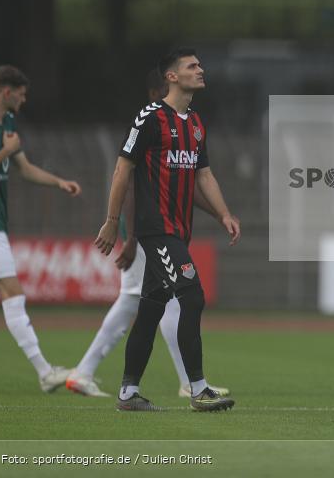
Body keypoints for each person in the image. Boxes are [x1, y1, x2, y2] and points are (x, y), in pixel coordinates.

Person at [67, 69, 229, 398]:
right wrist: (130, 237)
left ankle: (106, 379)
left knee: (150, 302)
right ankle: (190, 383)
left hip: (159, 231)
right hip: (151, 231)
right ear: (162, 90)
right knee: (168, 301)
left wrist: (221, 213)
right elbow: (130, 187)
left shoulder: (185, 126)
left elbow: (188, 184)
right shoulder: (151, 125)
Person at [0, 65, 82, 392]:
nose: (24, 100)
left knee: (11, 294)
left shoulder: (8, 123)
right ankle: (44, 371)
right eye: (22, 94)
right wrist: (6, 151)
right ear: (6, 91)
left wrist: (58, 182)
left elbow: (24, 169)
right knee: (13, 294)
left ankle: (44, 372)